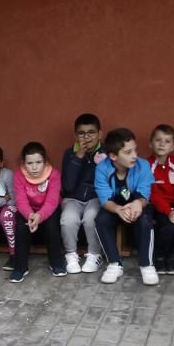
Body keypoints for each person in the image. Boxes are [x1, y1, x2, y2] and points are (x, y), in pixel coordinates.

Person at [94, 128, 157, 285]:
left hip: (137, 203)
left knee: (145, 221)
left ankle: (146, 264)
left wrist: (138, 203)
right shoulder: (102, 169)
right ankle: (114, 263)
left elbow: (145, 195)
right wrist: (118, 209)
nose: (134, 155)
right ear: (114, 156)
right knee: (101, 220)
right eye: (128, 152)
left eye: (135, 150)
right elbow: (104, 199)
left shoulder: (143, 166)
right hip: (115, 205)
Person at [11, 141, 66, 282]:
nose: (34, 167)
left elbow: (52, 201)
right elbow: (21, 201)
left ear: (45, 161)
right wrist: (30, 215)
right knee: (21, 229)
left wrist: (39, 216)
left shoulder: (53, 174)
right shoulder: (18, 175)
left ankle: (56, 262)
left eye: (38, 162)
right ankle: (20, 267)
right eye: (30, 163)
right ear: (24, 163)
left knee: (51, 227)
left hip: (48, 209)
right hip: (27, 210)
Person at [60, 113, 106, 274]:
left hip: (96, 198)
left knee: (91, 218)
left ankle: (95, 255)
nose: (86, 137)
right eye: (81, 133)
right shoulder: (69, 153)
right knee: (68, 219)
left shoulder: (107, 152)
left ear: (100, 134)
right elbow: (68, 185)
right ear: (76, 135)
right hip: (73, 197)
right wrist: (78, 157)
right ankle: (71, 254)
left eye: (91, 132)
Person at [148, 124, 174, 275]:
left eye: (167, 141)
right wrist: (169, 212)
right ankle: (159, 256)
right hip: (158, 206)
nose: (162, 144)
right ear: (151, 143)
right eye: (158, 140)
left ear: (172, 147)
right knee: (169, 227)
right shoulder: (147, 165)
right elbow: (153, 194)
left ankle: (173, 257)